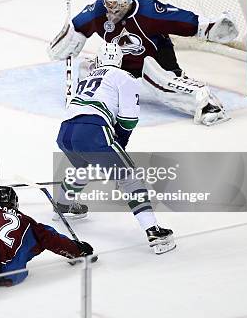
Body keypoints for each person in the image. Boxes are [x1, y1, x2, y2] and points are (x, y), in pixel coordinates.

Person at [48, 0, 237, 126]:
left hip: (154, 59)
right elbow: (77, 27)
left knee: (163, 85)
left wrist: (209, 26)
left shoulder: (148, 11)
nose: (109, 9)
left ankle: (208, 104)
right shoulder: (98, 10)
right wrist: (67, 39)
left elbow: (179, 19)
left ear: (126, 1)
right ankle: (97, 103)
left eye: (114, 4)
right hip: (120, 61)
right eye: (107, 3)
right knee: (86, 71)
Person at [55, 42, 175, 255]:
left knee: (85, 167)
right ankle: (154, 231)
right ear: (119, 61)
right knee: (129, 177)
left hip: (65, 133)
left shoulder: (87, 77)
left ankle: (63, 205)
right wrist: (120, 145)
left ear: (99, 60)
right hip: (92, 130)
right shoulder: (124, 77)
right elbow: (128, 119)